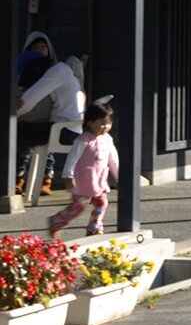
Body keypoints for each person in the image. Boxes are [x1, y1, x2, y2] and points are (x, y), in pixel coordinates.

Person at [16, 33, 84, 195]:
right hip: (67, 128)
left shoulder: (56, 72)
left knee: (14, 132)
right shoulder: (61, 70)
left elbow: (28, 101)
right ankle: (30, 179)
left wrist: (12, 112)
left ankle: (16, 180)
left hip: (64, 131)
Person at [46, 102, 116, 240]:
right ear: (90, 123)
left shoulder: (107, 139)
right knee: (78, 207)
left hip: (99, 179)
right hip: (84, 180)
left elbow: (113, 158)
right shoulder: (83, 140)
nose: (106, 127)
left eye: (108, 123)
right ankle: (56, 221)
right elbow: (72, 159)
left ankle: (94, 228)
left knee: (102, 203)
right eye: (102, 123)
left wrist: (119, 175)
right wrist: (68, 176)